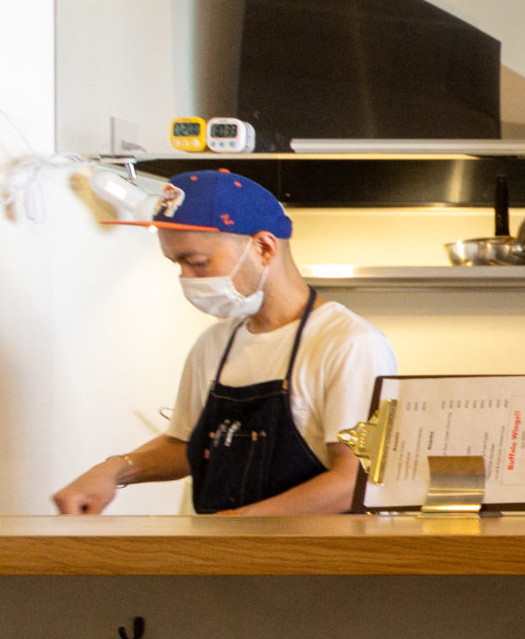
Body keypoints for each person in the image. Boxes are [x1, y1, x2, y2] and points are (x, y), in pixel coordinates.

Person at [52, 170, 396, 515]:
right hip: (223, 557)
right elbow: (186, 445)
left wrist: (236, 527)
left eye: (197, 262)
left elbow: (357, 479)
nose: (186, 278)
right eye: (177, 264)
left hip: (314, 561)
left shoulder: (349, 344)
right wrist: (113, 470)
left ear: (264, 247)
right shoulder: (216, 343)